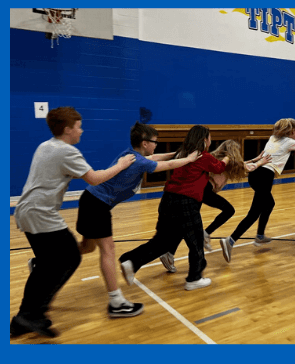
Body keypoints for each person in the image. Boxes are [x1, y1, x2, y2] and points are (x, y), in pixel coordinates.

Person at [12, 107, 136, 338]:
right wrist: (121, 164)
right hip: (41, 214)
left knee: (49, 264)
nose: (82, 130)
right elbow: (95, 178)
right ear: (68, 129)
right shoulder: (67, 152)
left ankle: (24, 317)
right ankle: (31, 314)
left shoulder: (45, 145)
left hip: (26, 211)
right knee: (69, 256)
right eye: (78, 126)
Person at [75, 122, 198, 317]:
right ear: (145, 143)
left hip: (91, 201)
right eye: (155, 142)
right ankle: (116, 302)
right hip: (97, 205)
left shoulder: (131, 154)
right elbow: (166, 165)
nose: (156, 145)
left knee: (87, 247)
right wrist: (189, 158)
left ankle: (45, 261)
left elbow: (157, 157)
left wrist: (176, 153)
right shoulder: (139, 161)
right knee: (108, 250)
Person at [117, 125, 226, 292]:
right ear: (205, 140)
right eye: (209, 137)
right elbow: (219, 168)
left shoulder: (182, 153)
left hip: (168, 200)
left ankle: (131, 261)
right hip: (186, 203)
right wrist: (229, 157)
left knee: (162, 241)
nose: (210, 141)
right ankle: (194, 278)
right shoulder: (201, 156)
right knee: (196, 242)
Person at [220, 118, 295, 259]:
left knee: (269, 203)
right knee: (254, 213)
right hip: (264, 176)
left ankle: (260, 236)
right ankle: (230, 240)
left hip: (256, 175)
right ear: (293, 131)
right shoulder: (288, 142)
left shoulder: (274, 138)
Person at [185, 140, 270, 262]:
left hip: (199, 189)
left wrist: (255, 159)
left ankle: (172, 250)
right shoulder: (227, 160)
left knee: (188, 222)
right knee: (229, 210)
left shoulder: (221, 158)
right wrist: (261, 162)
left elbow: (241, 164)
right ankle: (205, 234)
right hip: (205, 190)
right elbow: (247, 167)